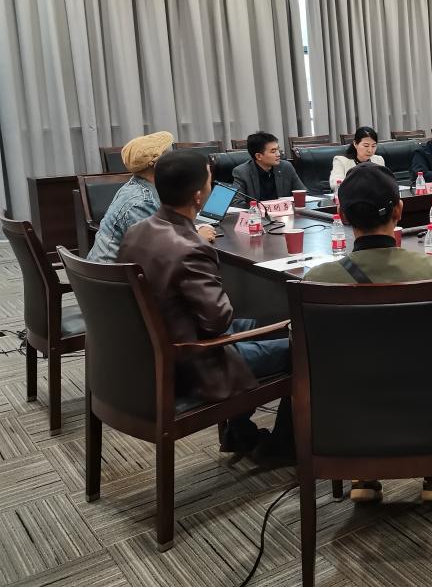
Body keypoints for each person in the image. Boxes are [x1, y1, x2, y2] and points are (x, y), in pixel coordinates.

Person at [305, 163, 432, 503]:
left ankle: (364, 471)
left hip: (348, 420)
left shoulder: (317, 280)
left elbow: (303, 347)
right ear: (399, 210)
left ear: (342, 214)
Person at [119, 150, 292, 460]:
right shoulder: (190, 247)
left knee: (269, 324)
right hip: (193, 362)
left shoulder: (137, 232)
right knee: (304, 347)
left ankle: (240, 433)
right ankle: (281, 447)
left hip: (151, 350)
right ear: (199, 196)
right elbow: (218, 321)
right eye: (210, 182)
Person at [88, 131, 215, 261]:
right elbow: (157, 252)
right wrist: (197, 237)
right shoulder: (142, 202)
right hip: (115, 272)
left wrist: (191, 231)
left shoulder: (136, 185)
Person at [232, 132, 304, 202]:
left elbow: (303, 193)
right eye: (273, 151)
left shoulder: (286, 167)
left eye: (278, 149)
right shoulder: (242, 172)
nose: (278, 154)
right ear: (259, 156)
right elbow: (236, 202)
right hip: (257, 210)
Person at [329, 126, 385, 191]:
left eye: (373, 146)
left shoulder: (379, 160)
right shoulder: (341, 160)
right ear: (355, 144)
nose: (370, 150)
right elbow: (335, 183)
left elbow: (384, 182)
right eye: (366, 146)